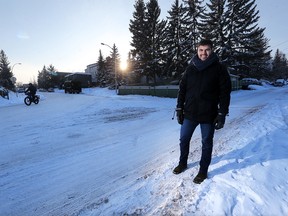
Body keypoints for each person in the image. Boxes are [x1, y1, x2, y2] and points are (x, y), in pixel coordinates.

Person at [173, 39, 231, 184]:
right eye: (201, 50)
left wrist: (222, 113)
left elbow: (225, 93)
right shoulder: (191, 68)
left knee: (206, 142)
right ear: (197, 50)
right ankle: (183, 163)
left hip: (209, 114)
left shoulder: (219, 68)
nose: (203, 53)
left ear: (211, 51)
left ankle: (203, 170)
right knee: (184, 139)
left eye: (207, 50)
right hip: (190, 113)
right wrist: (179, 108)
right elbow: (182, 89)